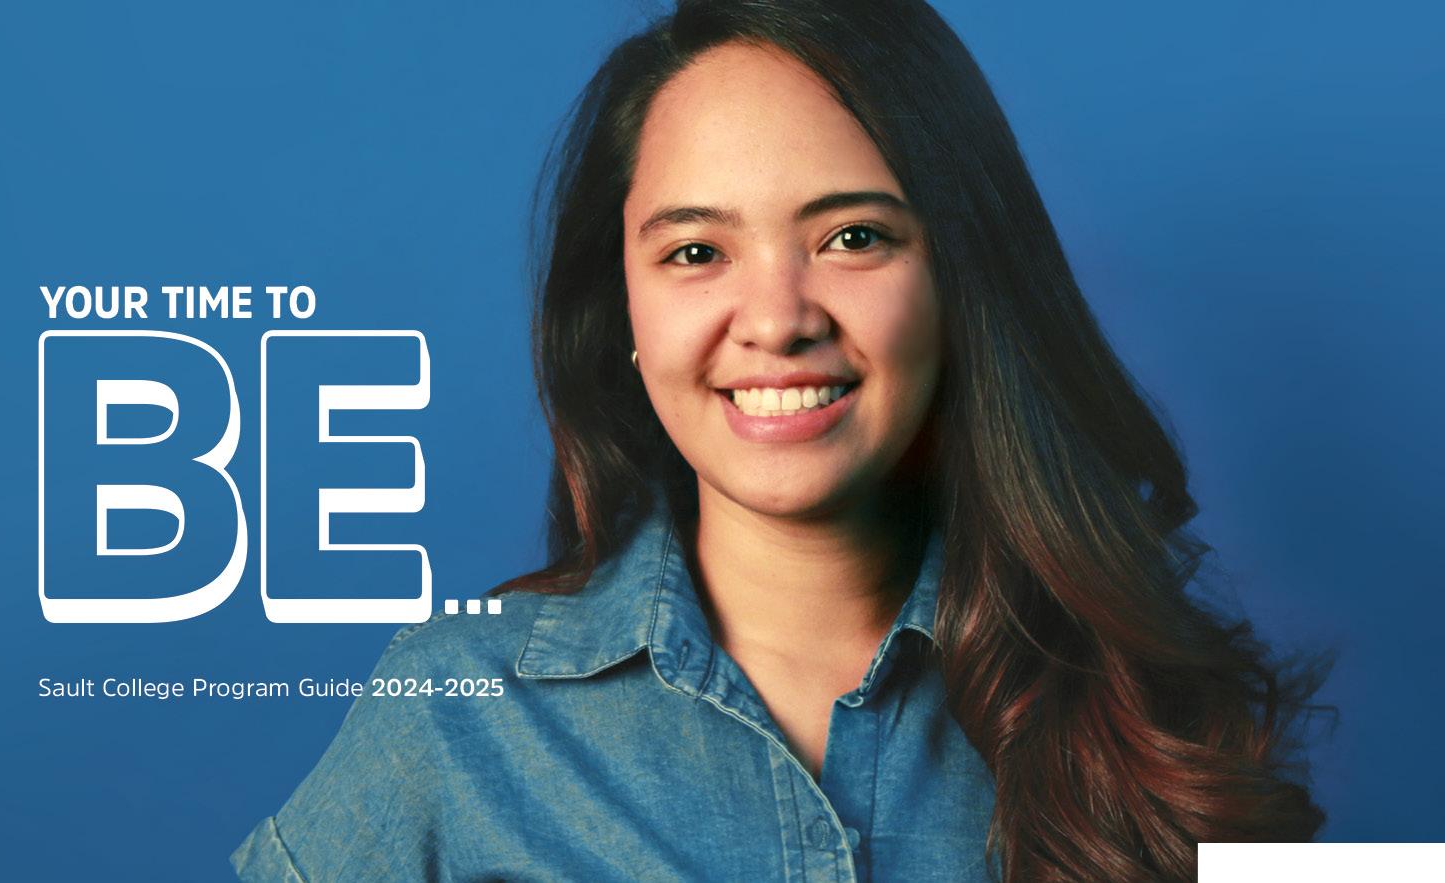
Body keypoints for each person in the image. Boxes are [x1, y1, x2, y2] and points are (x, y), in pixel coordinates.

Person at [232, 1, 1326, 880]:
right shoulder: (457, 720)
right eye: (696, 252)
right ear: (621, 312)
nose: (776, 318)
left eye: (854, 236)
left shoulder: (1138, 719)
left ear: (959, 281)